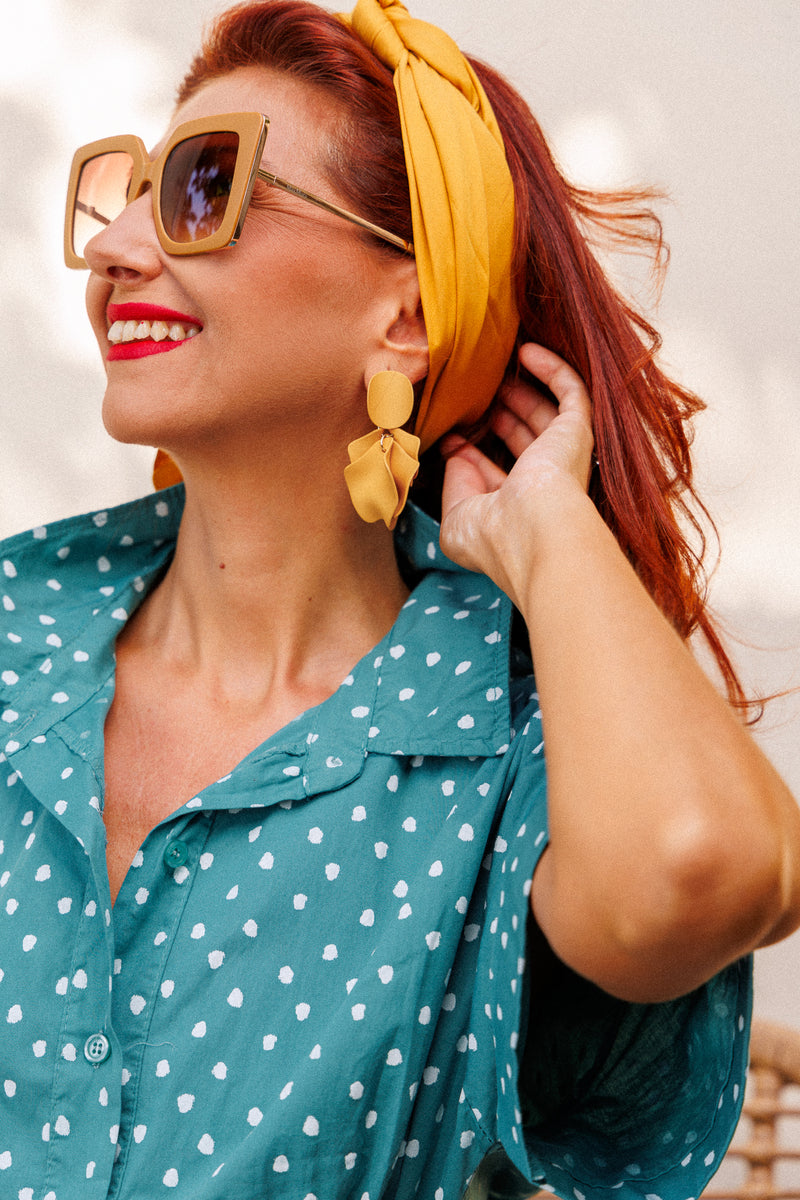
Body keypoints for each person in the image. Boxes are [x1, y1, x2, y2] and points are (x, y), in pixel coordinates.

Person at [1, 1, 798, 1197]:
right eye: (127, 193)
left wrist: (547, 533)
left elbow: (698, 867)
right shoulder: (17, 626)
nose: (115, 247)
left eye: (204, 191)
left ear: (408, 316)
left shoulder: (501, 752)